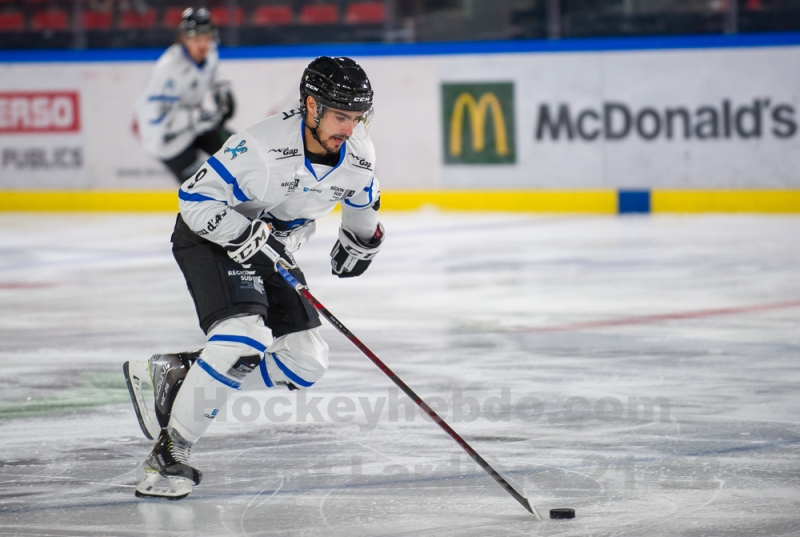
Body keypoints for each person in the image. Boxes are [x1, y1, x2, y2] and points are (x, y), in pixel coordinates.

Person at [123, 56, 384, 500]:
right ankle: (170, 453)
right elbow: (194, 199)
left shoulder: (358, 152)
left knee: (306, 362)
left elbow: (362, 202)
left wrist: (361, 241)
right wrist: (239, 232)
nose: (350, 127)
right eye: (341, 115)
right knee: (241, 337)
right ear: (312, 107)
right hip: (213, 237)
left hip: (271, 246)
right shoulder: (261, 148)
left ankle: (182, 374)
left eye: (357, 117)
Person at [134, 7, 236, 184]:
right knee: (207, 190)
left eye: (207, 38)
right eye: (197, 39)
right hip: (166, 141)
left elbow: (212, 72)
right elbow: (157, 118)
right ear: (184, 38)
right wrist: (197, 117)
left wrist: (222, 90)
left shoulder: (209, 51)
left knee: (240, 151)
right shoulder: (168, 71)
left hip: (194, 126)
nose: (203, 44)